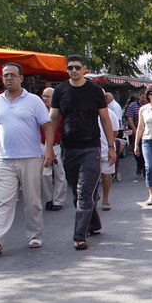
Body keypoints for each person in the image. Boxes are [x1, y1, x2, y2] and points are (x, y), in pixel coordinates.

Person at [0, 62, 53, 255]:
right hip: (4, 159)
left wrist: (49, 150)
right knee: (2, 201)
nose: (8, 78)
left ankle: (34, 235)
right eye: (5, 76)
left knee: (32, 199)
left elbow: (47, 126)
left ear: (20, 78)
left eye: (12, 75)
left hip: (30, 157)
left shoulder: (34, 101)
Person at [50, 55, 116, 251]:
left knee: (84, 192)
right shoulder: (60, 90)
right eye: (70, 68)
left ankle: (79, 235)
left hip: (91, 147)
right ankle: (93, 224)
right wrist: (48, 147)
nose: (74, 71)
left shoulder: (95, 90)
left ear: (84, 69)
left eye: (77, 67)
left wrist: (111, 147)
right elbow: (53, 119)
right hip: (68, 148)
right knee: (77, 192)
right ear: (67, 70)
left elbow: (105, 120)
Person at [40, 87, 67, 211]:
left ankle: (58, 200)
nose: (45, 99)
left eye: (48, 96)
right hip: (41, 145)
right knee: (45, 174)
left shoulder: (60, 112)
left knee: (60, 174)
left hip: (57, 145)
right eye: (44, 96)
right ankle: (49, 198)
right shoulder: (38, 111)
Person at [99, 103, 121, 211]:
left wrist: (110, 145)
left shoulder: (110, 114)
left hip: (106, 148)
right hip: (91, 149)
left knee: (106, 176)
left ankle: (105, 199)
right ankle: (94, 195)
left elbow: (115, 132)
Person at [123, 95, 144, 175]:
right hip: (137, 130)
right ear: (139, 97)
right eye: (143, 97)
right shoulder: (133, 105)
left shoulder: (149, 104)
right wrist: (135, 130)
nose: (144, 99)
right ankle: (139, 165)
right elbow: (130, 118)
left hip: (147, 131)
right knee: (137, 149)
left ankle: (145, 167)